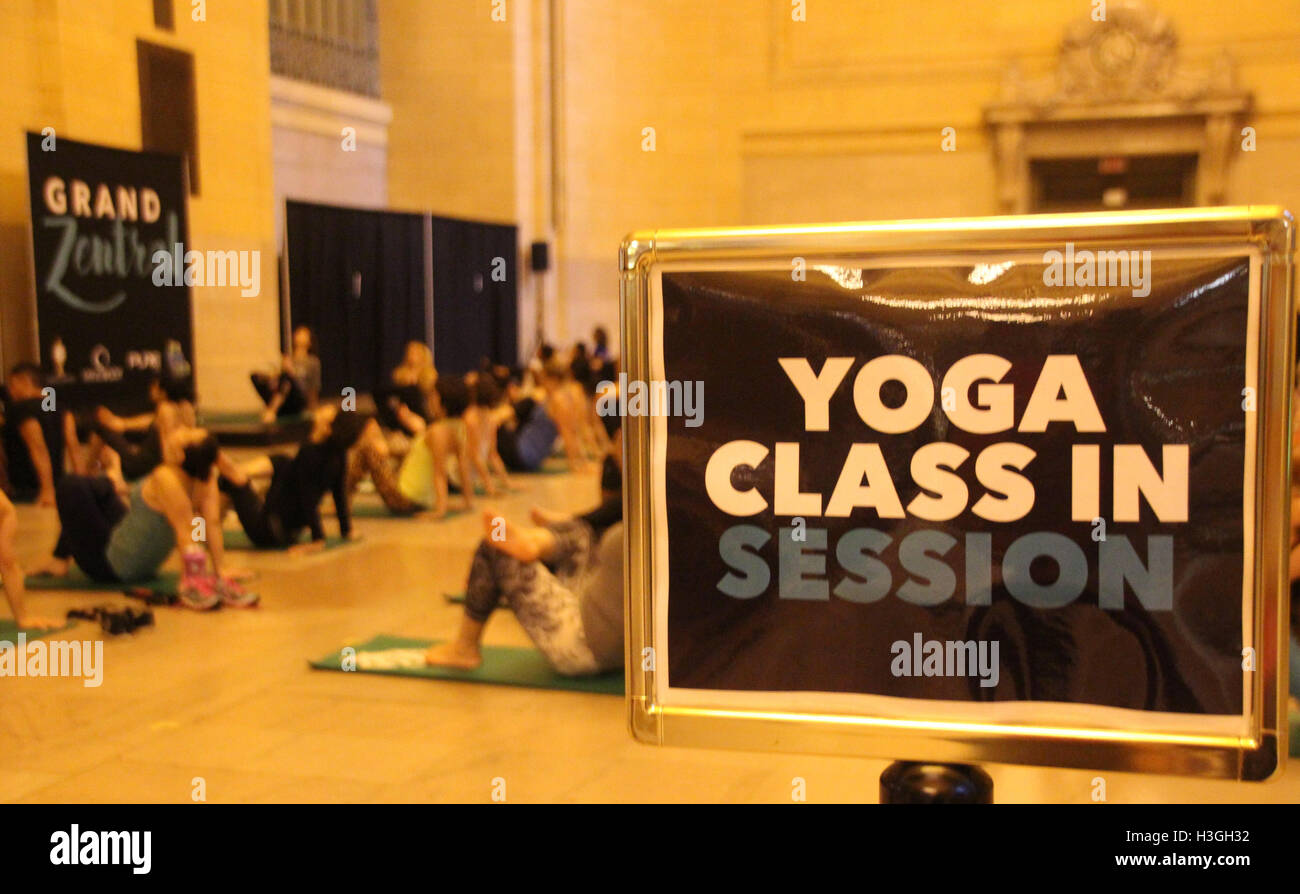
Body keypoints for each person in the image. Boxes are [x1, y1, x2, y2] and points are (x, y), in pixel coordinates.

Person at [38, 428, 255, 609]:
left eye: (186, 435)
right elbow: (212, 524)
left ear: (180, 455)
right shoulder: (205, 479)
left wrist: (193, 580)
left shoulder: (165, 478)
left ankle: (109, 482)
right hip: (132, 548)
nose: (181, 431)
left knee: (71, 486)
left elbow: (186, 531)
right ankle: (62, 555)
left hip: (112, 566)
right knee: (98, 491)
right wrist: (220, 569)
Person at [425, 511, 624, 676]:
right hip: (623, 643)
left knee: (494, 547)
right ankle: (533, 541)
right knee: (581, 533)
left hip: (585, 647)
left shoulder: (638, 529)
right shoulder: (647, 523)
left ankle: (464, 648)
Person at [218, 405, 368, 553]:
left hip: (268, 531)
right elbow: (339, 493)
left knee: (229, 479)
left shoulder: (309, 453)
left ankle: (210, 525)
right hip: (287, 531)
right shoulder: (337, 454)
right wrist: (346, 530)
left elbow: (308, 498)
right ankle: (236, 471)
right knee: (282, 461)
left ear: (327, 428)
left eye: (331, 413)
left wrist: (318, 539)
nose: (326, 408)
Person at [395, 375, 479, 518]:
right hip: (423, 498)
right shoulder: (458, 427)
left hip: (406, 497)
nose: (429, 400)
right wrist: (468, 501)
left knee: (368, 451)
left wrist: (440, 510)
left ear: (443, 402)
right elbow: (462, 466)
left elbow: (439, 472)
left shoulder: (437, 431)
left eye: (433, 396)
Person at [90, 373, 196, 481]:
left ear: (163, 392)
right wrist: (117, 421)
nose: (150, 389)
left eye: (154, 386)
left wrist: (167, 475)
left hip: (140, 465)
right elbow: (146, 421)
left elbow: (167, 446)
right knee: (110, 436)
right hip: (150, 460)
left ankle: (88, 472)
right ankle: (93, 470)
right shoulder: (186, 407)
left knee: (99, 427)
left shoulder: (164, 409)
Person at [1, 363, 81, 506]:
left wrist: (47, 490)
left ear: (24, 381)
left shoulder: (20, 409)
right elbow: (73, 446)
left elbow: (37, 447)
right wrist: (83, 486)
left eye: (12, 384)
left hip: (26, 492)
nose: (9, 391)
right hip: (58, 488)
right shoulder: (61, 409)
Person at [0, 490, 60, 629]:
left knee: (7, 559)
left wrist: (22, 618)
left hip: (5, 514)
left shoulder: (6, 515)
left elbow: (9, 565)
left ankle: (22, 616)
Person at [252, 325, 321, 423]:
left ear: (309, 342)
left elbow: (313, 387)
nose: (299, 335)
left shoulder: (312, 362)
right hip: (285, 397)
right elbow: (281, 382)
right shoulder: (288, 359)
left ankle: (272, 410)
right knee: (256, 377)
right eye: (298, 333)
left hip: (298, 398)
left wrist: (313, 409)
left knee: (288, 378)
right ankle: (274, 406)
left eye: (304, 334)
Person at [495, 368, 559, 473]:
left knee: (492, 425)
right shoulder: (554, 402)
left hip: (521, 456)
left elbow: (497, 417)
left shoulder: (535, 400)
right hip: (533, 461)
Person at [376, 341, 437, 437]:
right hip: (402, 414)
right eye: (410, 352)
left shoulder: (430, 375)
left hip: (424, 414)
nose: (412, 355)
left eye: (416, 352)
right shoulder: (399, 374)